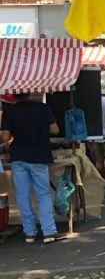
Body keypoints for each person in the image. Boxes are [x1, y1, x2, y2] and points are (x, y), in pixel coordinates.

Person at [0, 94, 64, 243]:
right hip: (39, 155)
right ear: (29, 93)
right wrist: (41, 129)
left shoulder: (9, 111)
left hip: (18, 156)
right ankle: (49, 231)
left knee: (23, 195)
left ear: (14, 95)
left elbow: (5, 138)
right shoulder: (42, 108)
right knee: (43, 194)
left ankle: (29, 232)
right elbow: (55, 130)